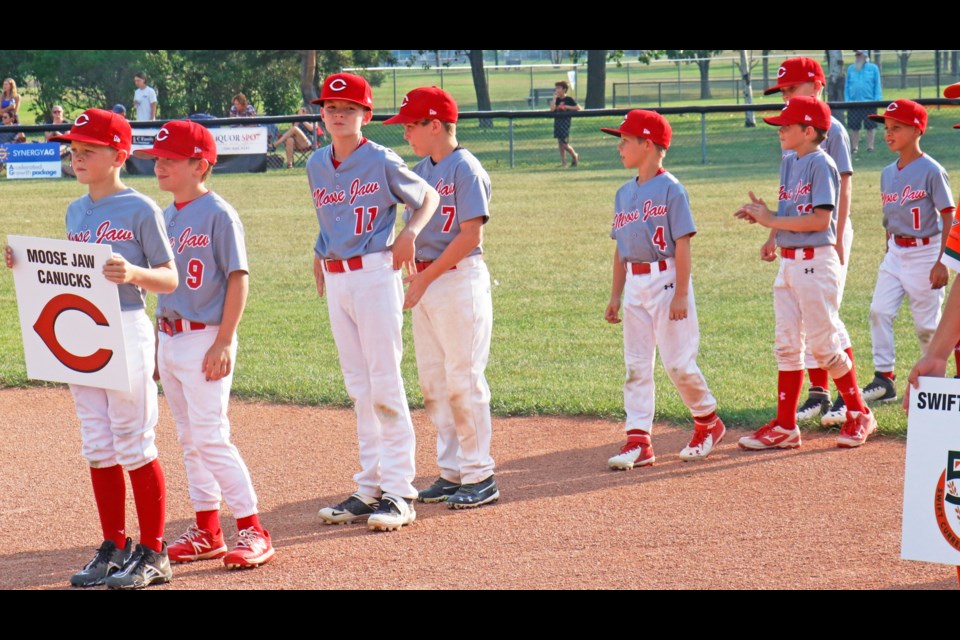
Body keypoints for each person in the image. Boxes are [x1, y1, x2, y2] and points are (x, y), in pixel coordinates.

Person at [5, 108, 178, 588]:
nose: (77, 155)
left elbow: (169, 277)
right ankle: (114, 545)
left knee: (135, 440)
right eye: (74, 148)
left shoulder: (141, 207)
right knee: (99, 445)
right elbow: (71, 276)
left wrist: (135, 273)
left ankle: (154, 551)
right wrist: (24, 263)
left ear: (119, 154)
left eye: (89, 149)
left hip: (125, 325)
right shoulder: (74, 210)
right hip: (82, 334)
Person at [133, 120, 275, 569]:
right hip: (171, 337)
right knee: (190, 439)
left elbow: (238, 277)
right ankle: (207, 530)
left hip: (206, 337)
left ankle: (254, 529)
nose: (160, 166)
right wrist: (157, 340)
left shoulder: (219, 213)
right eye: (157, 159)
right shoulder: (165, 215)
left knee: (211, 437)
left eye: (171, 159)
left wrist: (226, 340)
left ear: (200, 164)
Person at [308, 73, 439, 532]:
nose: (339, 114)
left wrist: (409, 232)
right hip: (338, 278)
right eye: (331, 107)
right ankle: (369, 488)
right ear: (322, 114)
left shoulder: (381, 158)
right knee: (358, 386)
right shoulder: (315, 164)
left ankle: (400, 491)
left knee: (384, 382)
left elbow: (429, 196)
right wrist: (318, 250)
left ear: (366, 115)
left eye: (349, 108)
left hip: (375, 274)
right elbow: (330, 216)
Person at [735, 96, 876, 450]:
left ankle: (859, 413)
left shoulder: (820, 162)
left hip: (816, 261)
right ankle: (785, 427)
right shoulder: (790, 162)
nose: (780, 130)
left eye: (786, 125)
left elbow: (820, 219)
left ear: (808, 130)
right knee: (786, 345)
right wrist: (770, 227)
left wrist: (773, 221)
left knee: (824, 346)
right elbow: (788, 210)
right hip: (789, 261)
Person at [383, 87, 499, 508]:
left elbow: (471, 236)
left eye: (412, 125)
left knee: (463, 380)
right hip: (428, 280)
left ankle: (480, 473)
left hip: (456, 279)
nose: (406, 133)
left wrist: (425, 278)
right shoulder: (420, 169)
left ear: (435, 125)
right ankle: (453, 470)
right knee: (434, 382)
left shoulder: (465, 168)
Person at [601, 110, 726, 468]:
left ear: (648, 144)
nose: (619, 147)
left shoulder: (672, 189)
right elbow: (620, 248)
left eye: (625, 140)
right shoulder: (623, 193)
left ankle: (708, 421)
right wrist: (615, 294)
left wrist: (681, 292)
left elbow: (683, 243)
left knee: (678, 363)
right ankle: (638, 440)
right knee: (636, 365)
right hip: (635, 282)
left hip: (667, 278)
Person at [762, 57, 857, 427]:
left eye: (791, 88)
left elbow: (843, 184)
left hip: (826, 229)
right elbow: (789, 193)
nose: (785, 95)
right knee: (801, 317)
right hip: (795, 228)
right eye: (782, 90)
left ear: (817, 85)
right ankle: (819, 394)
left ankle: (847, 403)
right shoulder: (791, 129)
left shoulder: (829, 129)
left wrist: (837, 235)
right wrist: (774, 232)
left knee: (824, 318)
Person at [858, 100, 954, 404]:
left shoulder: (932, 170)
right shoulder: (887, 172)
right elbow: (891, 214)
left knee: (927, 326)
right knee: (879, 311)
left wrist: (943, 261)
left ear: (917, 129)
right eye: (886, 128)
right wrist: (889, 246)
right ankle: (884, 378)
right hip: (896, 253)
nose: (889, 133)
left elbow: (949, 215)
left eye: (896, 127)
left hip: (926, 252)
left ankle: (933, 383)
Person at [844, 50, 882, 154]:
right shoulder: (851, 69)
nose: (857, 56)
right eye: (856, 54)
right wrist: (847, 100)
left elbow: (877, 85)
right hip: (854, 103)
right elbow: (847, 86)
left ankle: (870, 147)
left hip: (869, 103)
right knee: (854, 126)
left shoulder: (873, 68)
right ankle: (855, 147)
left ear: (865, 56)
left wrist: (877, 100)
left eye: (859, 54)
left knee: (870, 126)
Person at [550, 80, 581, 168]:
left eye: (559, 88)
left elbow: (578, 107)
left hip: (565, 122)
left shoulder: (569, 99)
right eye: (556, 88)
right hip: (557, 122)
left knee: (564, 143)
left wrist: (566, 107)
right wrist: (554, 99)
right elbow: (552, 109)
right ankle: (563, 162)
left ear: (564, 89)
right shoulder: (557, 99)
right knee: (560, 142)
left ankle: (574, 155)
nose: (556, 90)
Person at [45, 105, 75, 177]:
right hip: (51, 146)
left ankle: (61, 170)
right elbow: (47, 137)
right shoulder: (48, 124)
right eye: (55, 112)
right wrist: (53, 129)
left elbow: (65, 138)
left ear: (62, 113)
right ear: (52, 114)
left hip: (64, 145)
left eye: (59, 112)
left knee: (57, 150)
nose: (57, 114)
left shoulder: (66, 124)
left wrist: (55, 130)